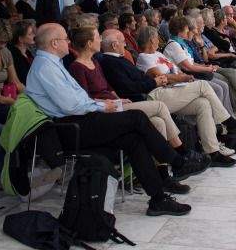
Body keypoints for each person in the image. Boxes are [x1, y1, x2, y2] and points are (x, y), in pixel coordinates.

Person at [25, 23, 211, 216]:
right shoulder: (46, 67)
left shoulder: (53, 64)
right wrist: (102, 105)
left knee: (134, 139)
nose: (69, 42)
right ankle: (178, 161)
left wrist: (103, 103)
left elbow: (78, 98)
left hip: (79, 120)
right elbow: (70, 105)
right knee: (137, 117)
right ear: (54, 43)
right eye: (65, 39)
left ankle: (158, 199)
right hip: (69, 128)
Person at [102, 26, 236, 167]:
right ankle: (230, 124)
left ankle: (212, 151)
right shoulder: (112, 62)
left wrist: (159, 80)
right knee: (203, 86)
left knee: (202, 103)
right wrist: (157, 81)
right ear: (114, 45)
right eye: (122, 42)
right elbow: (133, 87)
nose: (125, 45)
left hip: (165, 90)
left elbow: (143, 79)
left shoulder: (121, 59)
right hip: (154, 95)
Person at [67, 24, 193, 193]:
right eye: (98, 37)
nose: (100, 40)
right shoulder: (77, 67)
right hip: (104, 110)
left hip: (116, 104)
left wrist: (119, 99)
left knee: (158, 122)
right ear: (89, 43)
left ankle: (164, 176)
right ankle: (181, 154)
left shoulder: (95, 62)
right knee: (159, 106)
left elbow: (108, 86)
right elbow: (84, 98)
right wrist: (111, 102)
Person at [8, 19, 36, 84]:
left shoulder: (27, 53)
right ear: (21, 39)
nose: (34, 35)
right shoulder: (14, 55)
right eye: (30, 34)